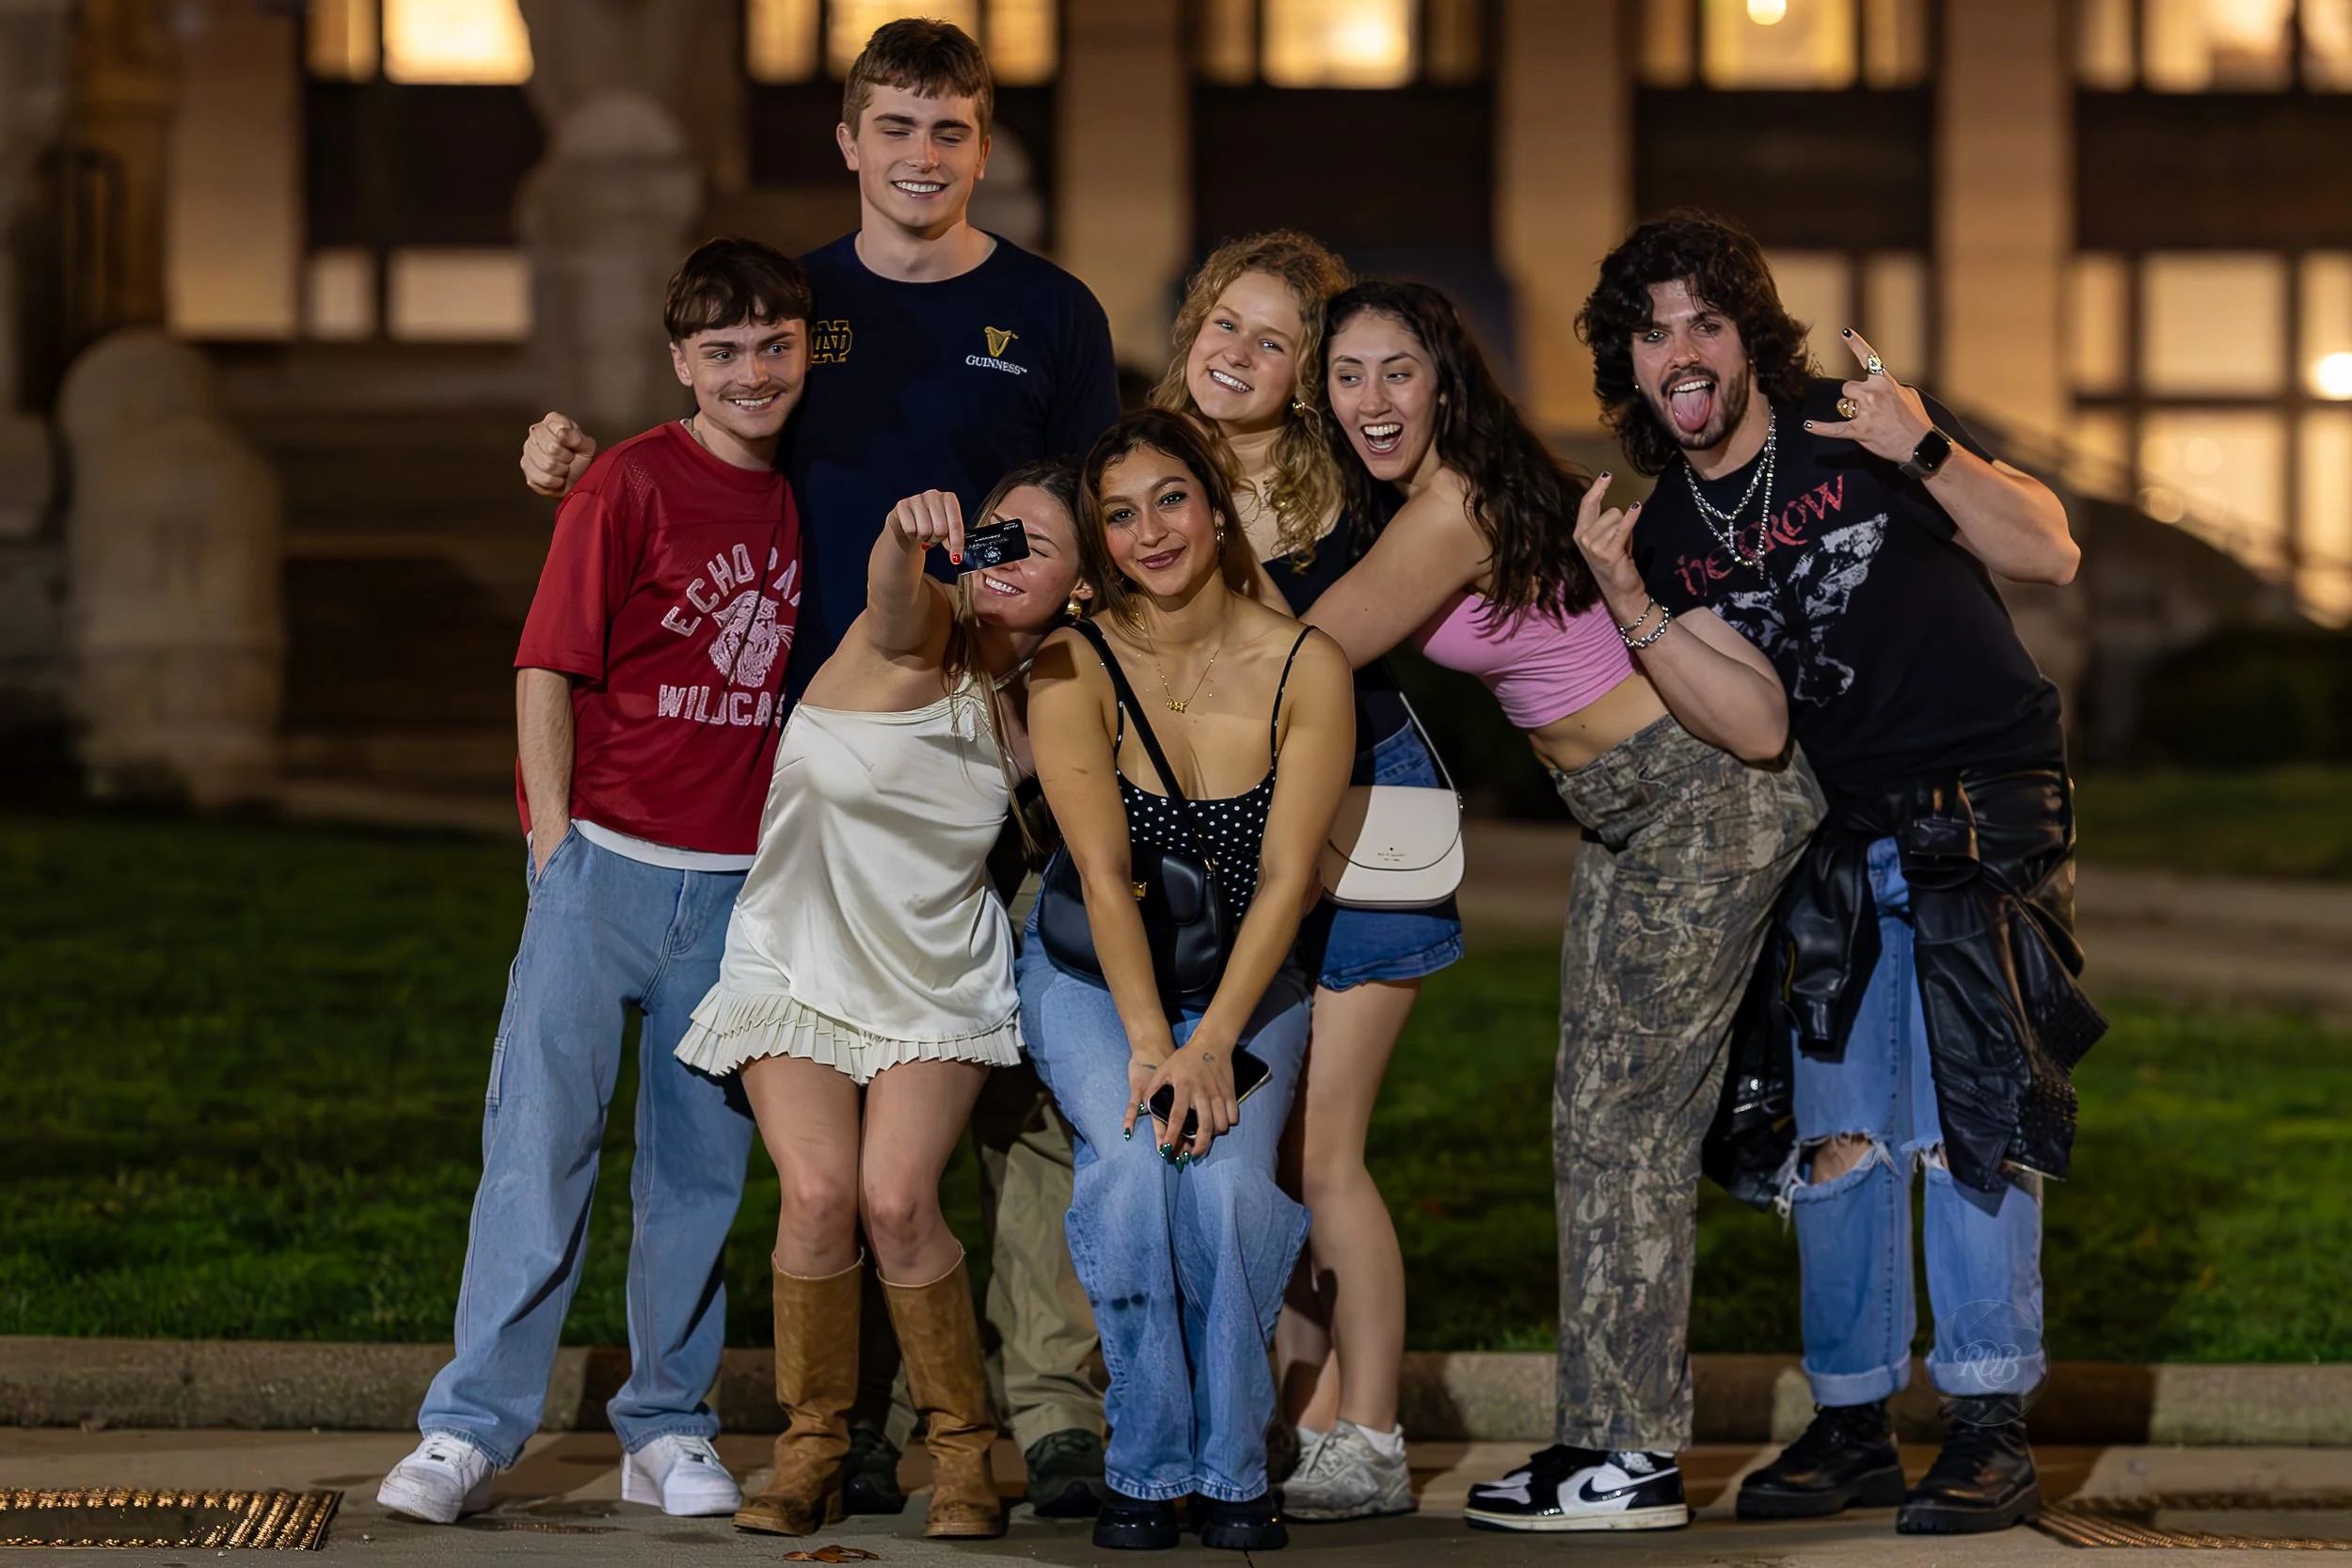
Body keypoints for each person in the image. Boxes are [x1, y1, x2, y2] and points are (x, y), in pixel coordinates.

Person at [516, 17, 1123, 1517]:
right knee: (818, 1129)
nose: (924, 158)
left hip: (991, 753)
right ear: (848, 141)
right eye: (896, 129)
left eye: (952, 132)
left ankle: (1037, 1407)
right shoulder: (797, 304)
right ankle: (837, 1427)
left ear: (984, 145)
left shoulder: (1051, 311)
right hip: (804, 761)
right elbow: (703, 449)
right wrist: (577, 472)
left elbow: (1091, 533)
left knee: (1021, 1096)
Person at [1582, 213, 2098, 1535]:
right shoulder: (1670, 532)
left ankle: (1988, 1427)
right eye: (1654, 332)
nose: (1683, 352)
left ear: (1751, 337)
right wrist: (1630, 600)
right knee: (1838, 1140)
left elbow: (2049, 549)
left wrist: (1922, 443)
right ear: (1629, 364)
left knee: (1969, 1119)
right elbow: (1754, 726)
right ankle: (1855, 1418)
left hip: (1980, 810)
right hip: (1831, 836)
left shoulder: (1851, 427)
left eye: (1707, 321)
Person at [1295, 280, 1822, 1533]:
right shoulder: (1438, 494)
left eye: (1398, 371)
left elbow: (1307, 646)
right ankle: (1598, 1432)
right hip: (1630, 810)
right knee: (1596, 1127)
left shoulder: (1451, 505)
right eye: (1349, 374)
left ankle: (1632, 1457)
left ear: (1446, 382)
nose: (1372, 399)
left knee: (1624, 1130)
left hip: (1693, 797)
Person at [377, 239, 812, 1525]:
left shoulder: (813, 498)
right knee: (537, 1145)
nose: (750, 372)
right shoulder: (626, 483)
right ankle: (469, 1423)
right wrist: (556, 843)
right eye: (722, 351)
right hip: (607, 863)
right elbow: (546, 666)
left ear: (806, 350)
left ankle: (667, 1422)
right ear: (680, 361)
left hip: (739, 884)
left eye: (774, 346)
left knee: (698, 1168)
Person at [676, 460, 1089, 1541]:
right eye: (994, 531)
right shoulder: (902, 642)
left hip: (934, 972)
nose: (1002, 556)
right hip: (797, 960)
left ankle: (961, 1451)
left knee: (898, 1200)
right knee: (818, 1195)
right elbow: (897, 598)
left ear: (1081, 587)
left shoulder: (1053, 707)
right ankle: (812, 1443)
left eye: (1035, 547)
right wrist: (909, 536)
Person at [1146, 231, 1463, 1521]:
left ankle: (1369, 1430)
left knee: (1328, 1149)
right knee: (1265, 1151)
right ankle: (1301, 1406)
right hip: (1230, 827)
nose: (1240, 353)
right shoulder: (1142, 467)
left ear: (1310, 372)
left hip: (1372, 809)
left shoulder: (1355, 479)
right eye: (1226, 322)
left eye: (1277, 341)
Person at [1019, 409, 1355, 1552]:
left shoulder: (1307, 663)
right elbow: (1106, 881)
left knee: (1220, 1185)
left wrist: (1211, 1046)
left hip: (1249, 983)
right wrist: (1156, 1045)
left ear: (1216, 507)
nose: (1149, 531)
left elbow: (1286, 877)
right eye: (1118, 513)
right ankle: (1148, 1460)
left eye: (1170, 498)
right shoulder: (1074, 660)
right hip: (1093, 977)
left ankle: (1231, 1460)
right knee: (1132, 1170)